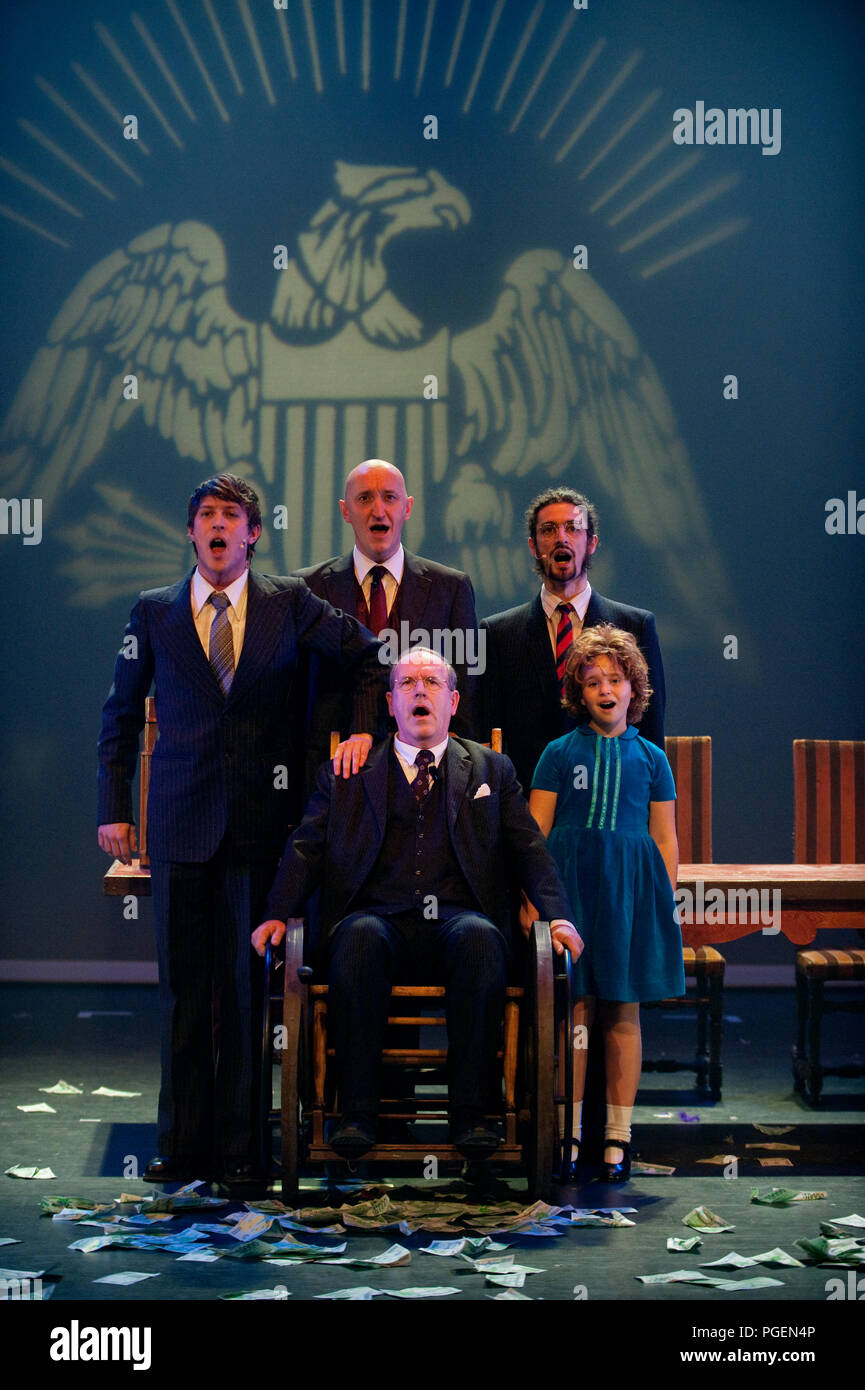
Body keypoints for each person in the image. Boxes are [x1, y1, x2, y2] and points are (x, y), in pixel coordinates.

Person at [97, 473, 382, 1188]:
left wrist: (358, 733)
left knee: (250, 995)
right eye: (205, 515)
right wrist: (115, 807)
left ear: (253, 533)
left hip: (262, 830)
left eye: (232, 516)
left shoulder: (289, 603)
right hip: (180, 828)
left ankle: (242, 1149)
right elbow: (121, 716)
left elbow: (370, 657)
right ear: (191, 532)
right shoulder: (153, 611)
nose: (218, 525)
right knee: (184, 996)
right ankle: (182, 1145)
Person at [253, 647, 581, 1160]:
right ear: (390, 703)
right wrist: (276, 913)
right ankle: (357, 1115)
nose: (420, 691)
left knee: (478, 938)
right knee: (358, 937)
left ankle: (472, 1116)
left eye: (432, 682)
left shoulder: (492, 770)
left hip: (459, 919)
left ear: (453, 701)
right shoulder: (349, 773)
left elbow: (529, 850)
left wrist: (557, 916)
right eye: (407, 683)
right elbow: (306, 848)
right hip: (377, 919)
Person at [526, 625, 683, 1183]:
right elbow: (535, 834)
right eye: (593, 682)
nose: (605, 689)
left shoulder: (652, 758)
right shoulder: (557, 753)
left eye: (615, 679)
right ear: (578, 693)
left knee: (623, 1010)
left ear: (633, 687)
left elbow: (664, 840)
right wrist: (534, 901)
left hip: (631, 895)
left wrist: (663, 901)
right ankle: (568, 1136)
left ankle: (617, 1138)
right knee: (578, 1009)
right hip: (571, 890)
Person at [295, 459, 480, 794]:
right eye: (364, 498)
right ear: (345, 510)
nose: (378, 510)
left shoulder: (450, 588)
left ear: (407, 508)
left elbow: (464, 688)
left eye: (390, 498)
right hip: (334, 776)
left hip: (428, 778)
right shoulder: (308, 588)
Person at [483, 487, 666, 798]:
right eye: (549, 530)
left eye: (573, 528)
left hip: (612, 802)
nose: (561, 538)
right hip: (527, 810)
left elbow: (649, 730)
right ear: (533, 545)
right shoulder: (498, 633)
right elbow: (489, 734)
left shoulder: (635, 626)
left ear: (591, 543)